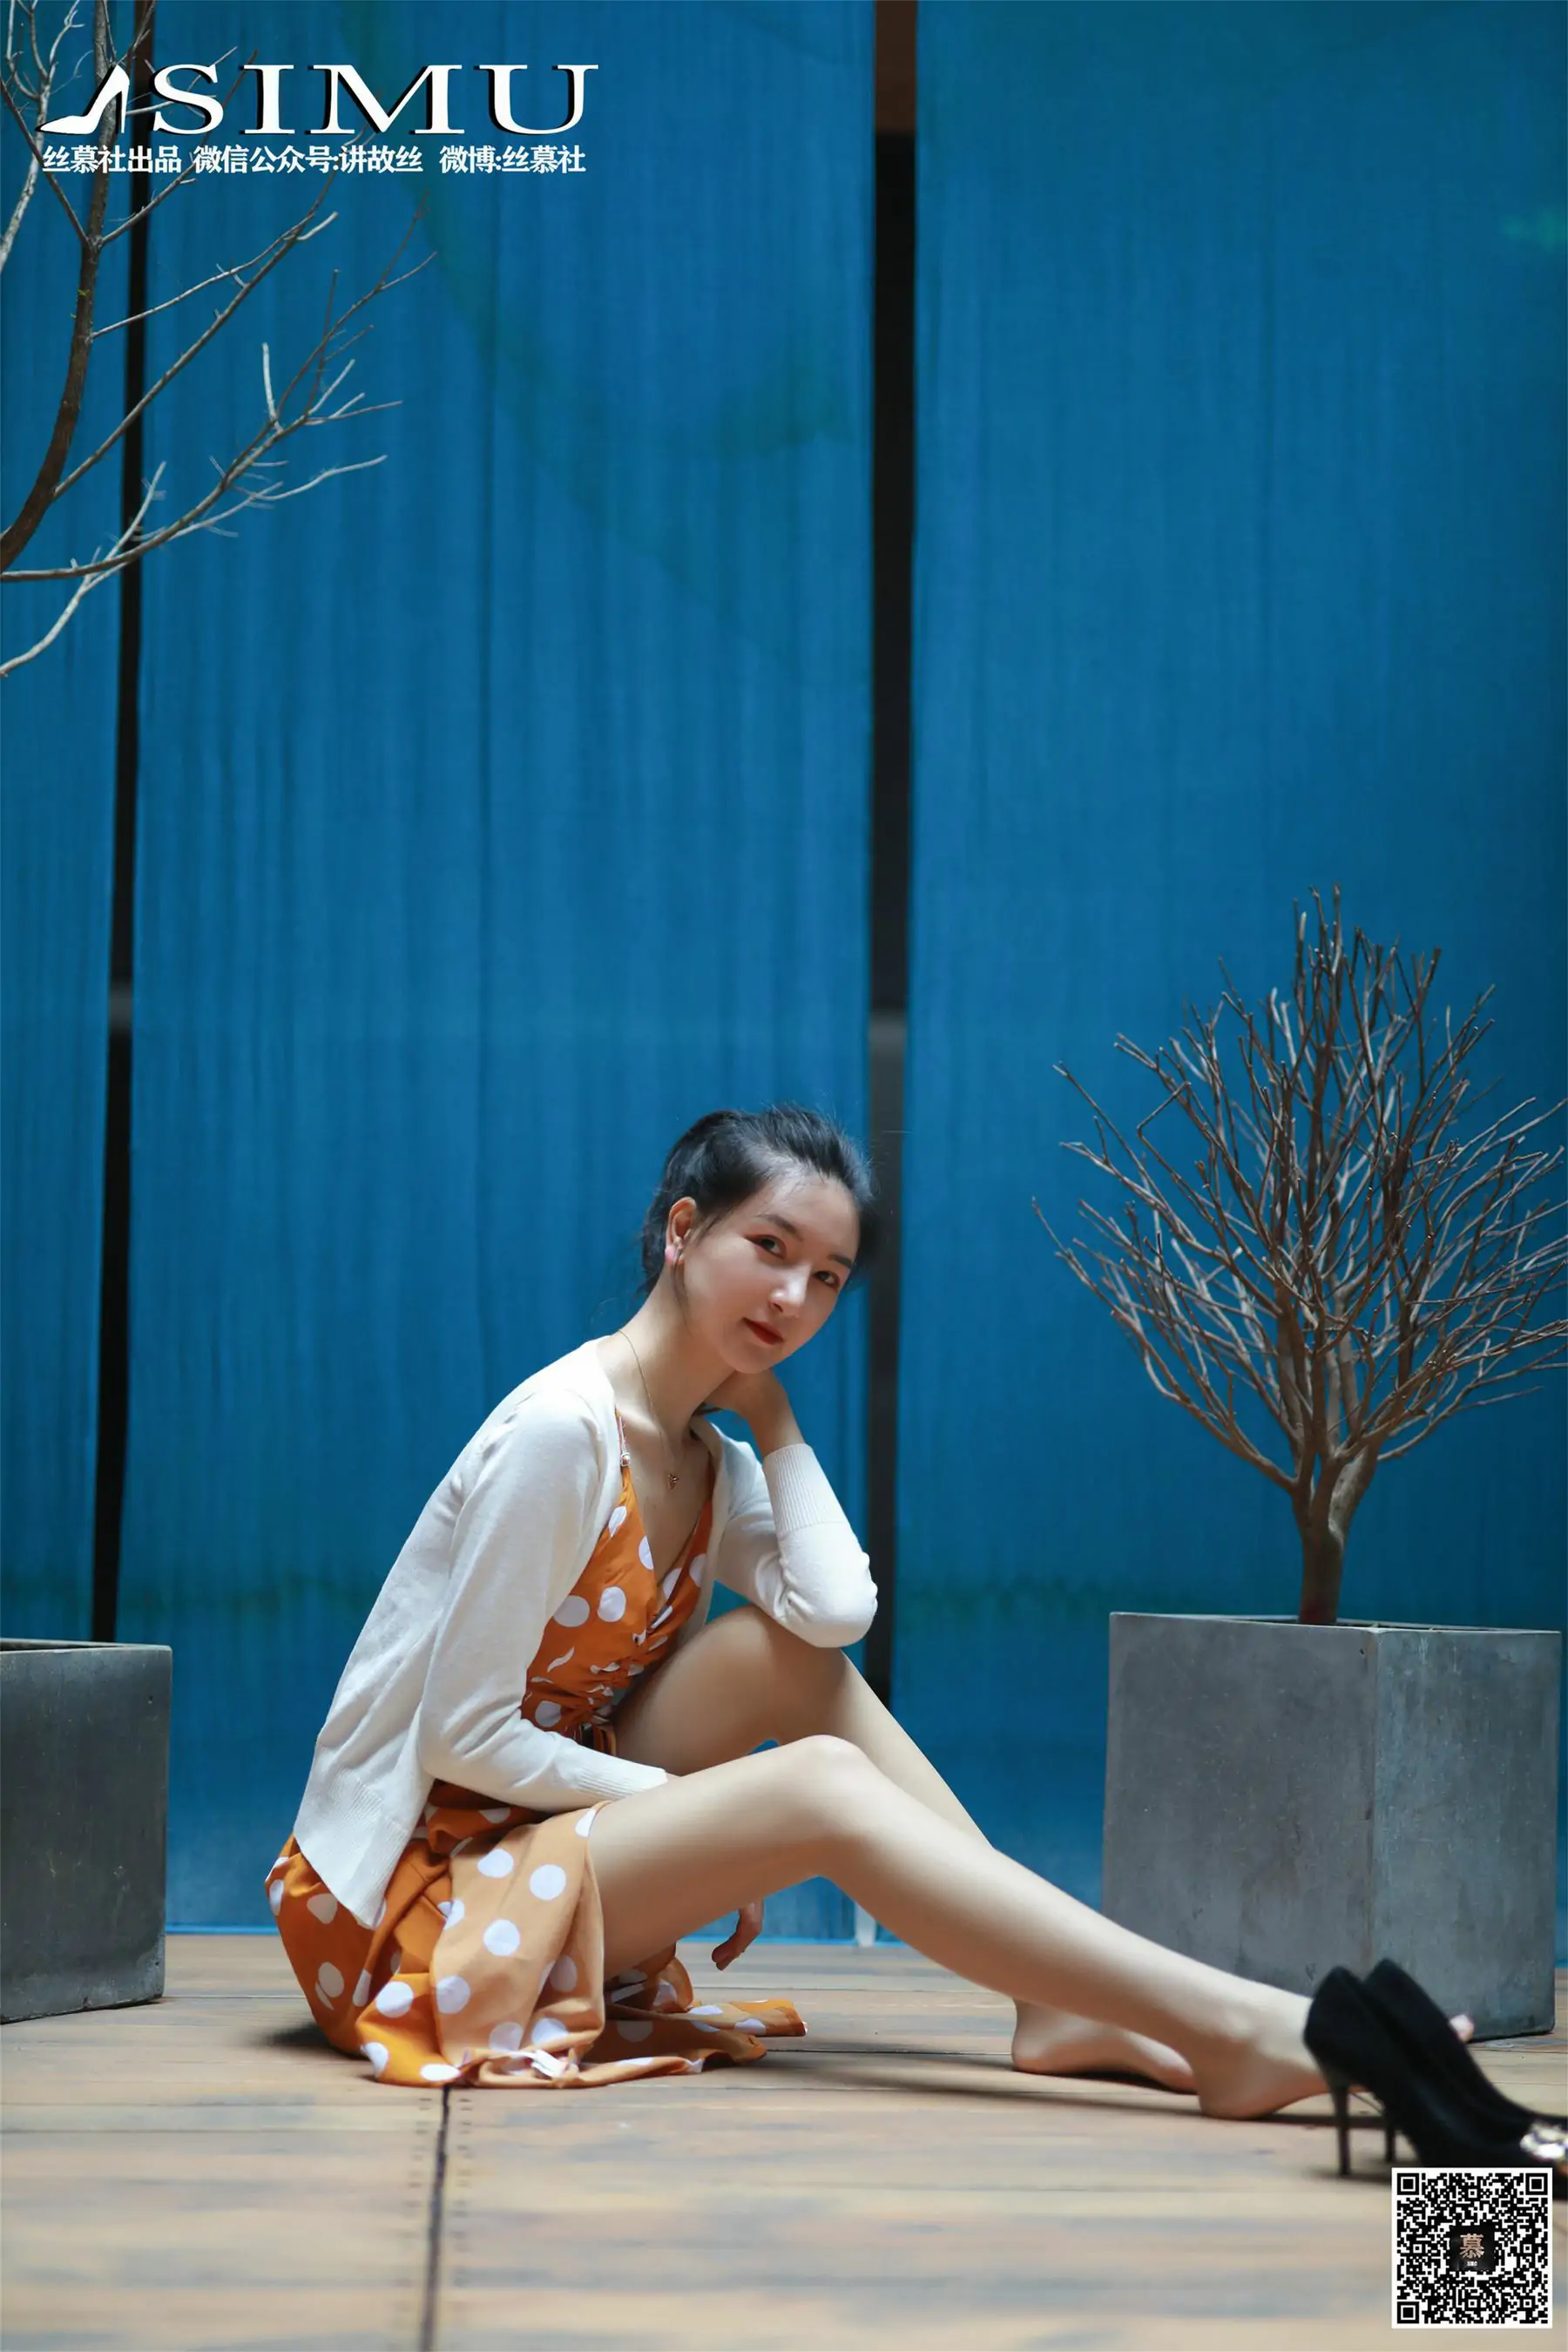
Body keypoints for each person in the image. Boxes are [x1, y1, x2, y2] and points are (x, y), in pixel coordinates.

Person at [267, 1105, 1524, 2158]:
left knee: (781, 1659)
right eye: (770, 1247)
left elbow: (833, 1616)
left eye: (827, 1277)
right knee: (813, 1787)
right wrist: (691, 1812)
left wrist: (776, 1424)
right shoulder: (564, 1430)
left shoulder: (710, 1456)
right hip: (414, 1911)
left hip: (531, 1838)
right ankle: (1244, 2028)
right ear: (682, 1231)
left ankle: (1057, 2005)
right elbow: (464, 1734)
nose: (794, 1294)